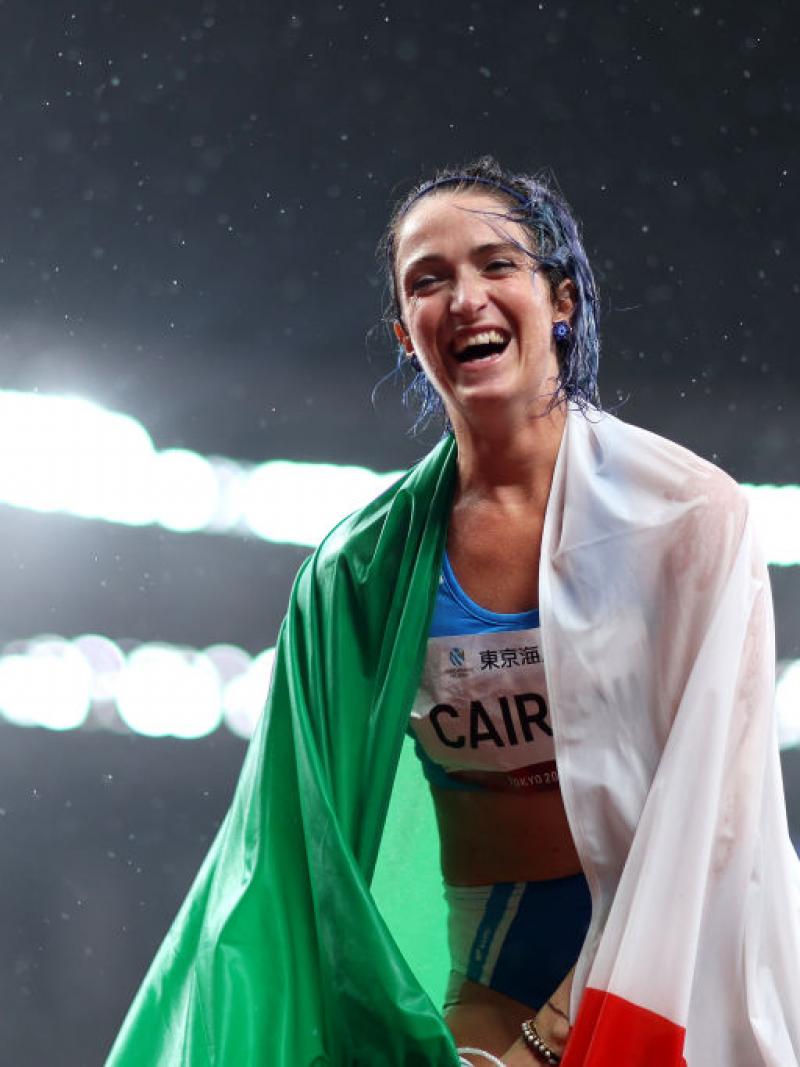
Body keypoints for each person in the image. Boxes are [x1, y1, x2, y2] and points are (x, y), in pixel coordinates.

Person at [106, 159, 800, 1067]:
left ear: (561, 300)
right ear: (407, 334)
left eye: (495, 265)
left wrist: (553, 1039)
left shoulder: (690, 519)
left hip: (684, 971)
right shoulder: (358, 574)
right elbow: (289, 848)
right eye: (429, 281)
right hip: (492, 977)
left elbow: (711, 813)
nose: (463, 297)